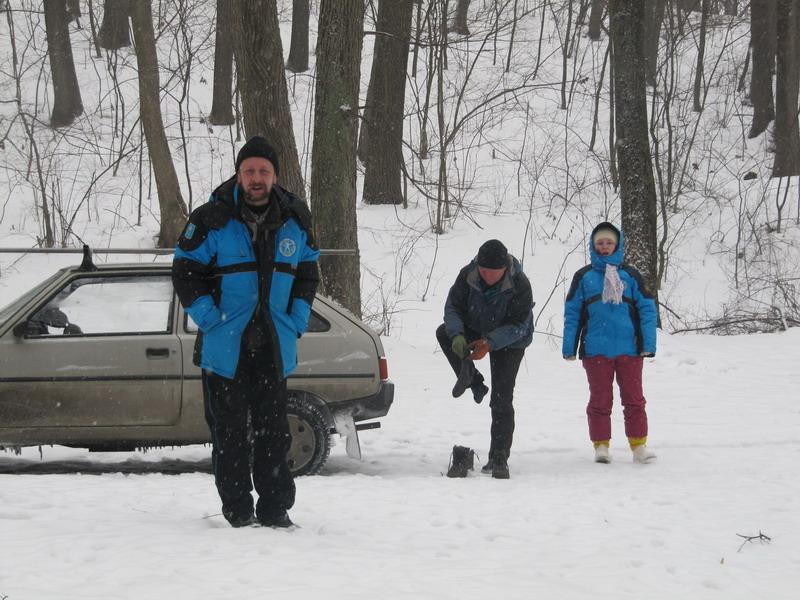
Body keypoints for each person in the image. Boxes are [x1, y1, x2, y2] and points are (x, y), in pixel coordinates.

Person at [172, 136, 320, 527]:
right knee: (230, 436)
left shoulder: (296, 219)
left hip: (273, 346)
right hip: (225, 350)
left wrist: (298, 317)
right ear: (239, 174)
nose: (257, 178)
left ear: (275, 175)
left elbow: (308, 272)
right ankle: (238, 512)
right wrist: (209, 318)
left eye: (264, 171)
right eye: (250, 171)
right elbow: (185, 271)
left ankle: (275, 511)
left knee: (275, 436)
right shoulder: (210, 219)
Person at [436, 239, 534, 479]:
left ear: (504, 268)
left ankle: (499, 457)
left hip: (510, 340)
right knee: (444, 332)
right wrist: (458, 335)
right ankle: (471, 378)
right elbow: (453, 308)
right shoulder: (467, 275)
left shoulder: (519, 283)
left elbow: (519, 325)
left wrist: (489, 343)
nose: (488, 276)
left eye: (494, 272)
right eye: (484, 271)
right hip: (478, 327)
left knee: (501, 397)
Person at [562, 222, 657, 464]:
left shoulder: (631, 275)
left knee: (634, 399)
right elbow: (572, 312)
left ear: (617, 245)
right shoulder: (583, 277)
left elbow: (647, 309)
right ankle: (601, 445)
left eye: (609, 243)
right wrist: (568, 347)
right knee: (600, 400)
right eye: (600, 243)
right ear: (594, 246)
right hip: (596, 350)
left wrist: (648, 343)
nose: (604, 247)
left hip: (630, 349)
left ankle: (638, 445)